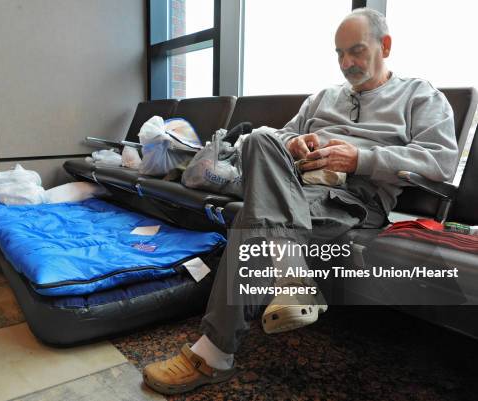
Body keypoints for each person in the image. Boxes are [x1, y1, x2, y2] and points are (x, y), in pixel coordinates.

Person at [142, 7, 458, 395]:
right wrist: (293, 144)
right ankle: (291, 273)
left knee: (252, 221)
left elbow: (440, 162)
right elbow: (279, 138)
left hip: (352, 199)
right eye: (339, 53)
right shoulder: (323, 98)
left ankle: (213, 353)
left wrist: (360, 158)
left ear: (385, 45)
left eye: (356, 51)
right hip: (295, 187)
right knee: (260, 138)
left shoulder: (419, 96)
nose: (346, 63)